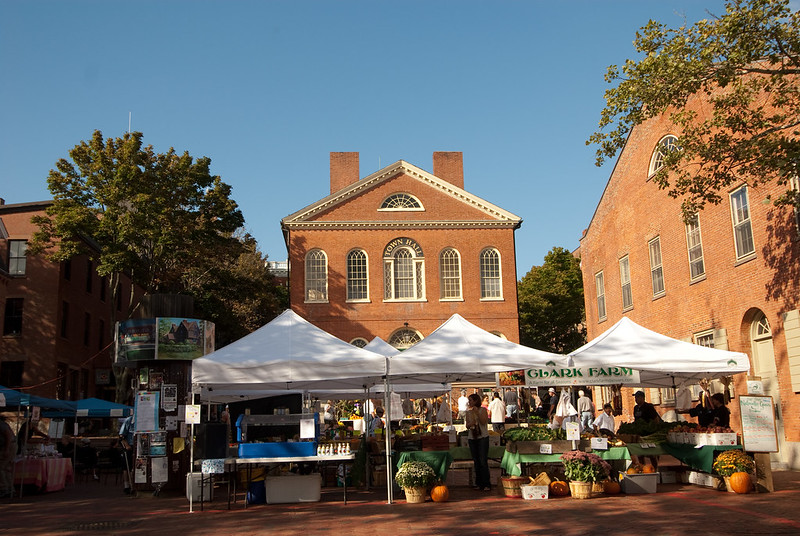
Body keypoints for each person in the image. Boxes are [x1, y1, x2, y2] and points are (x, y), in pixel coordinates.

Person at [464, 393, 491, 491]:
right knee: (476, 461)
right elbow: (467, 425)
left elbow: (484, 421)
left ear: (475, 401)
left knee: (483, 460)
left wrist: (477, 413)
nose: (469, 402)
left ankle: (486, 483)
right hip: (472, 437)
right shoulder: (468, 412)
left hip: (482, 437)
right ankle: (478, 483)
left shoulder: (482, 410)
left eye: (470, 400)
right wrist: (471, 423)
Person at [0, 415, 17, 498]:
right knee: (7, 468)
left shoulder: (1, 425)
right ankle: (10, 488)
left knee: (1, 467)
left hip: (8, 446)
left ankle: (4, 488)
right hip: (10, 446)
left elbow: (8, 436)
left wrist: (6, 449)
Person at [119, 414, 135, 494]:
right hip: (129, 446)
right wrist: (127, 445)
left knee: (133, 466)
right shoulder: (129, 420)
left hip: (138, 446)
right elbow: (121, 435)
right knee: (127, 466)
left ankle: (133, 485)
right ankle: (127, 485)